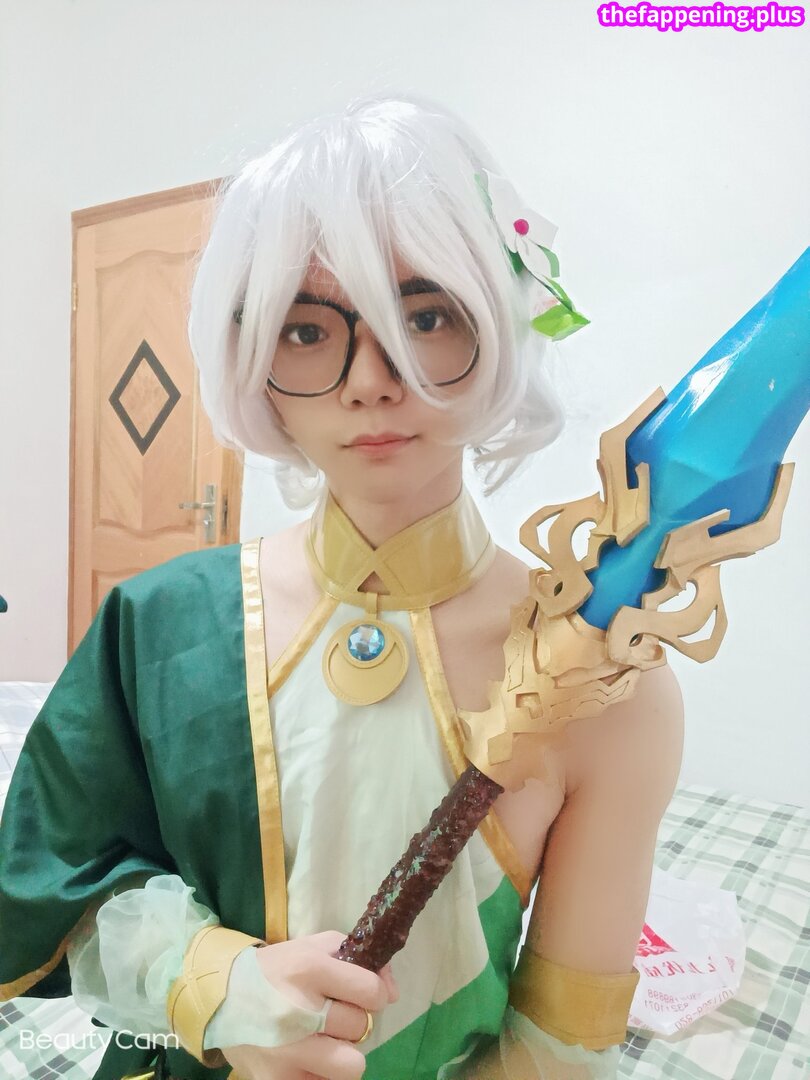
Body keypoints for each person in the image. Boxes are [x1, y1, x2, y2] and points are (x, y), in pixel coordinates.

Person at [0, 93, 683, 1079]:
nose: (370, 377)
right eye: (307, 329)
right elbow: (54, 882)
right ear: (254, 358)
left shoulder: (609, 676)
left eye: (425, 315)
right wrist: (211, 984)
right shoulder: (153, 624)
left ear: (495, 321)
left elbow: (561, 1043)